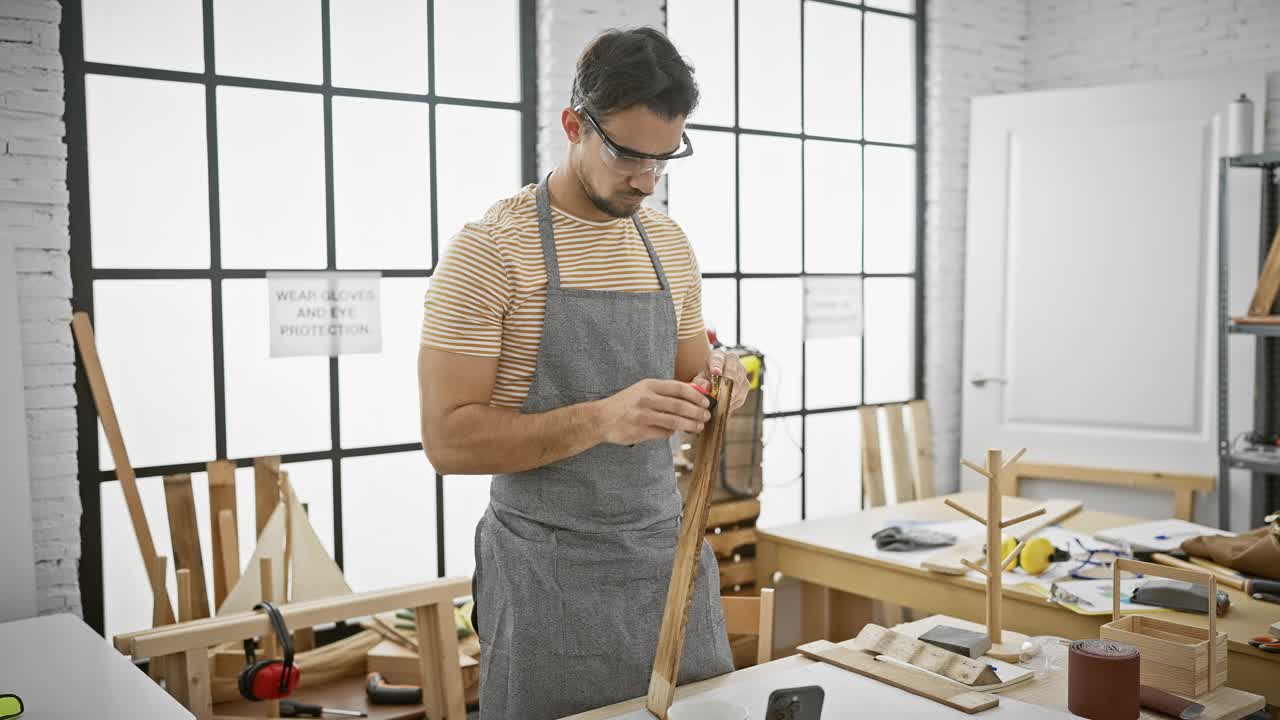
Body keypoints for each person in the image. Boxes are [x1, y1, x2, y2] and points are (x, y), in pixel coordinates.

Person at [417, 27, 749, 718]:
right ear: (574, 124)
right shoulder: (491, 251)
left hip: (667, 557)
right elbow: (448, 441)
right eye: (628, 154)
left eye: (664, 159)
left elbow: (694, 382)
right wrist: (602, 418)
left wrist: (721, 380)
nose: (646, 181)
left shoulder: (668, 243)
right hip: (545, 575)